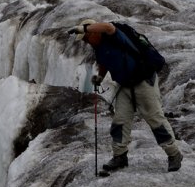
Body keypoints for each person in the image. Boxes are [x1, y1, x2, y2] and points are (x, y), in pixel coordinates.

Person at [69, 19, 182, 173]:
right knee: (120, 120)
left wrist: (83, 28)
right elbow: (104, 62)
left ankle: (174, 154)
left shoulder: (113, 35)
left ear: (94, 31)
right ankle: (120, 156)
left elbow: (108, 26)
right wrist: (100, 77)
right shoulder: (99, 47)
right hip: (124, 84)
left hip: (143, 81)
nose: (87, 42)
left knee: (155, 118)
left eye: (87, 38)